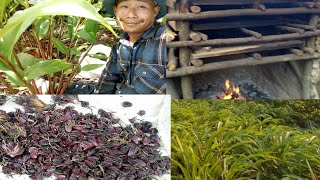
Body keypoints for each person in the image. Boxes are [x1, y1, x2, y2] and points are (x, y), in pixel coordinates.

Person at [94, 0, 166, 94]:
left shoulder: (163, 39)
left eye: (141, 7)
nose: (131, 15)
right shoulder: (120, 43)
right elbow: (107, 81)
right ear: (115, 10)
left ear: (155, 11)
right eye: (124, 6)